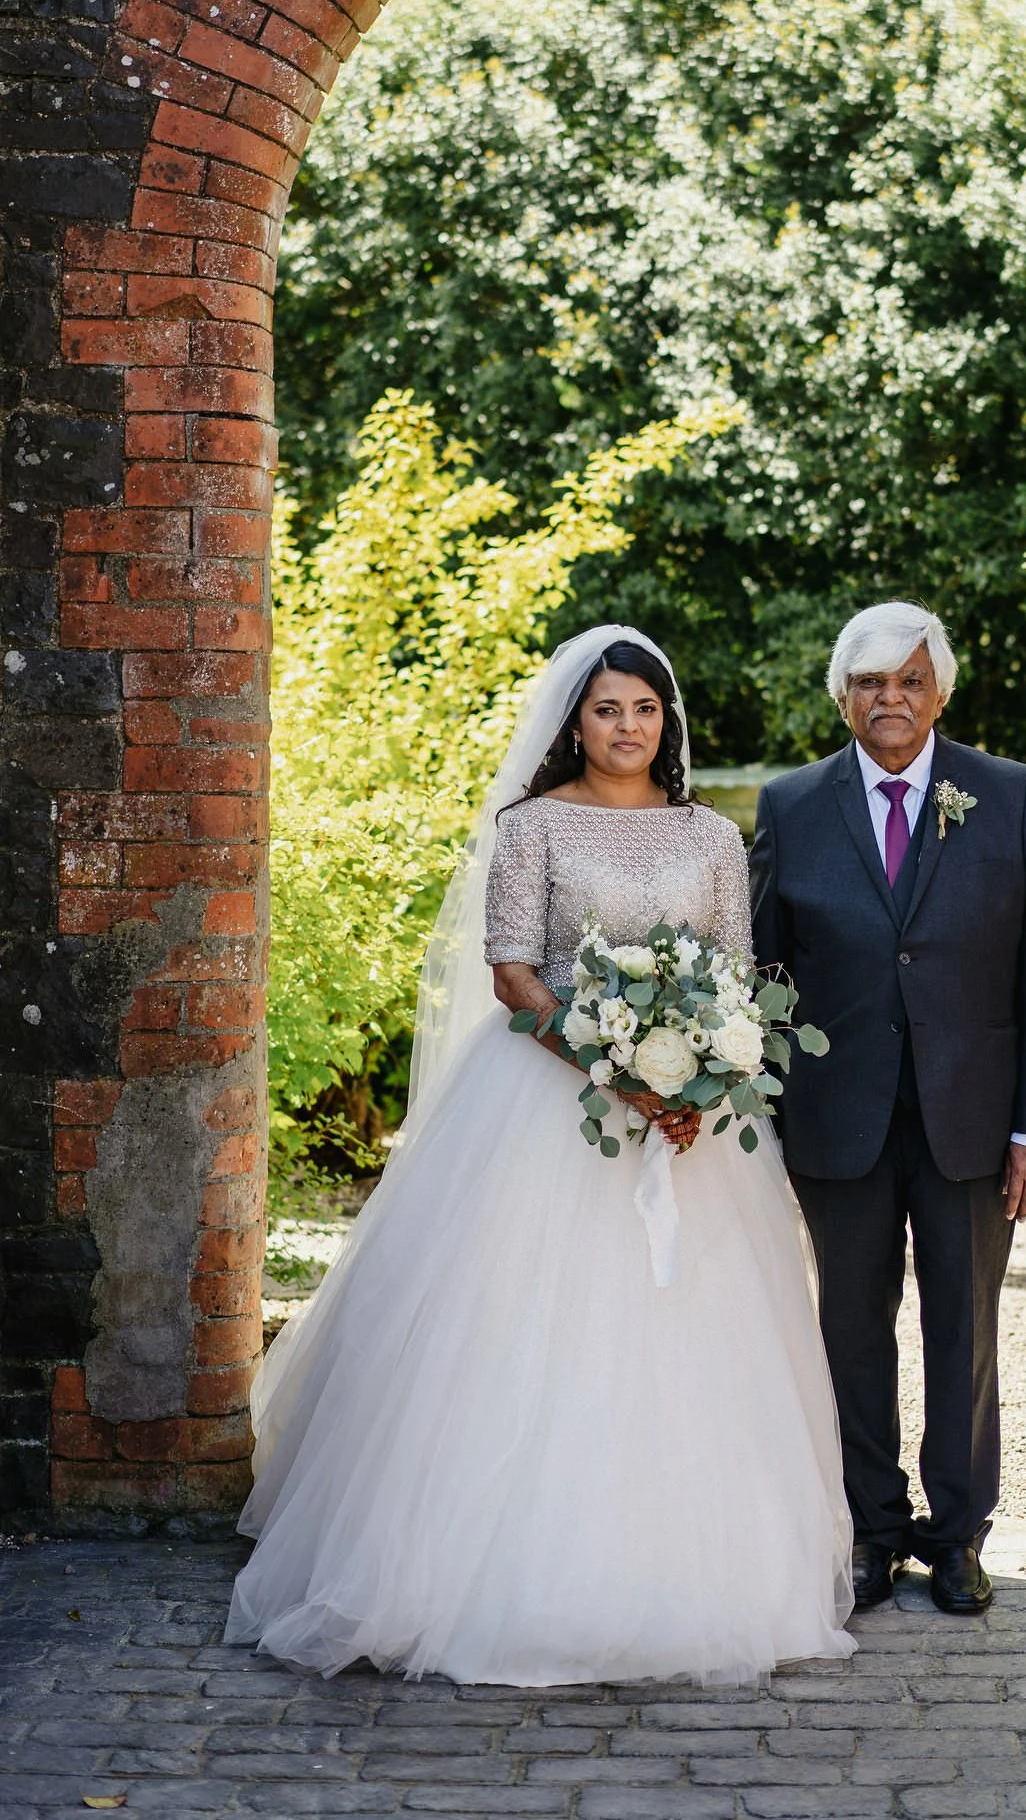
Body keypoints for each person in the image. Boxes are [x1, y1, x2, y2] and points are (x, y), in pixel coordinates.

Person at [226, 625, 854, 1685]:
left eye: (645, 710)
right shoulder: (533, 828)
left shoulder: (707, 836)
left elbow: (738, 970)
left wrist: (702, 1074)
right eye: (607, 710)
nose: (627, 727)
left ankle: (698, 1576)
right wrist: (616, 1071)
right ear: (576, 722)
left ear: (668, 722)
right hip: (544, 1100)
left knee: (695, 1338)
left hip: (689, 1125)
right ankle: (477, 1573)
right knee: (515, 1327)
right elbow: (515, 972)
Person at [750, 601, 1026, 1617]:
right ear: (842, 697)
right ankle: (870, 1532)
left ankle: (956, 1537)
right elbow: (764, 972)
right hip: (835, 1118)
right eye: (868, 683)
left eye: (907, 681)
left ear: (939, 690)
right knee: (848, 1330)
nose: (889, 699)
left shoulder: (1006, 794)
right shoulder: (791, 804)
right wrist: (757, 1113)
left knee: (962, 1330)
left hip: (974, 1123)